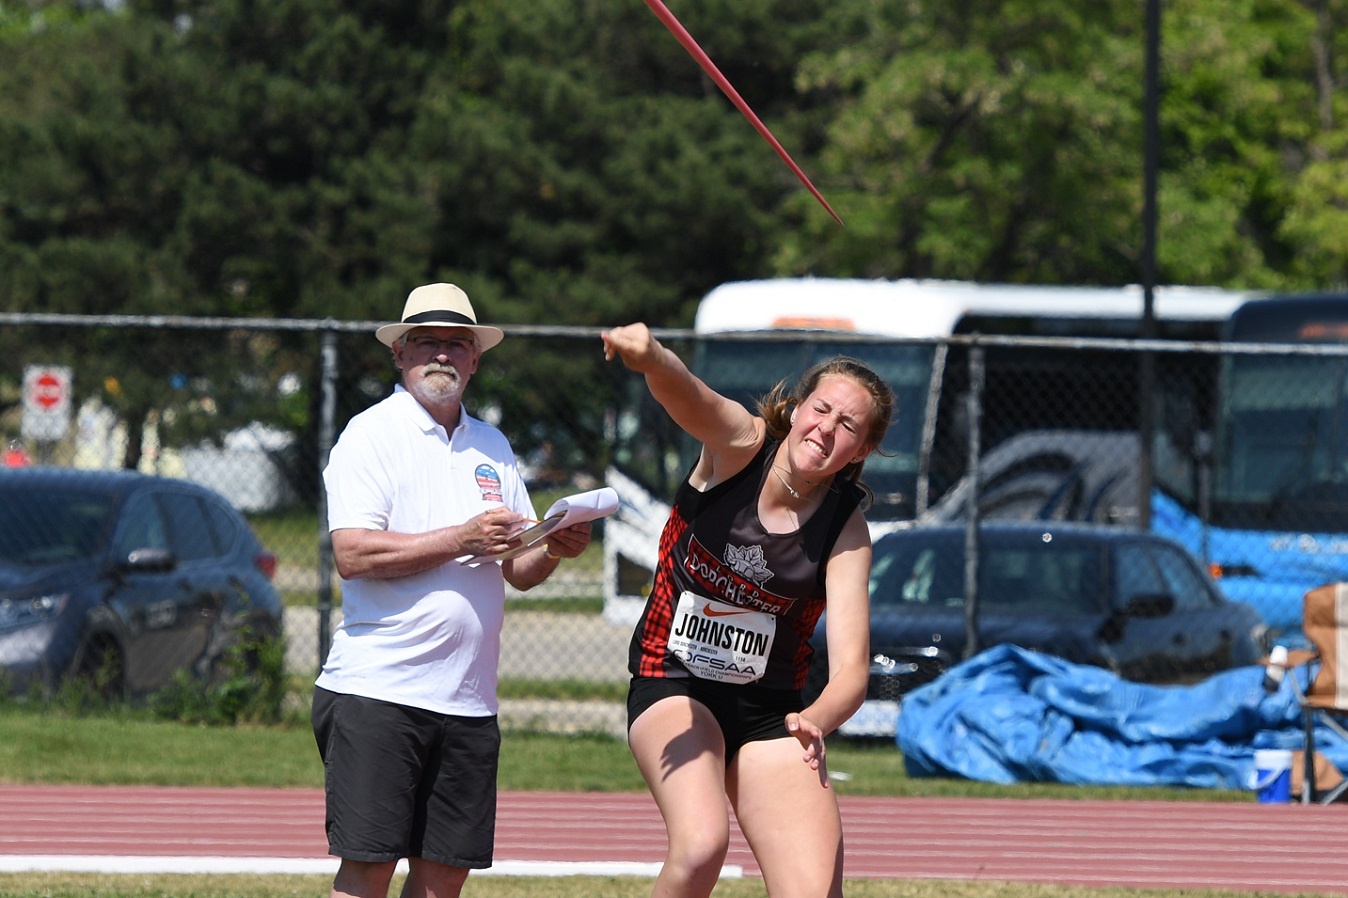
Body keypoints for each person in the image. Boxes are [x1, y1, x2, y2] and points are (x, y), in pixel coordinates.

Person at [313, 283, 593, 898]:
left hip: (469, 700)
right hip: (378, 691)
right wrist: (462, 536)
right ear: (400, 354)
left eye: (456, 345)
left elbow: (516, 569)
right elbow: (353, 554)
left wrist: (552, 546)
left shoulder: (492, 446)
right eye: (427, 343)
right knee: (369, 867)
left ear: (475, 359)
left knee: (444, 873)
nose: (442, 355)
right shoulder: (370, 434)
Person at [602, 323, 894, 898]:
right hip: (674, 683)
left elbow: (853, 672)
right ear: (797, 408)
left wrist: (817, 720)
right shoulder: (742, 446)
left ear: (860, 450)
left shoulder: (846, 529)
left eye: (848, 426)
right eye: (822, 409)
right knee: (702, 844)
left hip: (773, 712)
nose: (826, 429)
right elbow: (690, 396)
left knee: (813, 891)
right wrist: (652, 356)